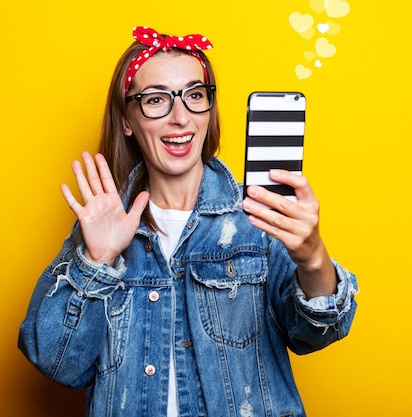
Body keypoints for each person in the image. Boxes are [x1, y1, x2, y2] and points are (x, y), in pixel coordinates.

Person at [18, 26, 358, 417]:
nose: (180, 118)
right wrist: (96, 262)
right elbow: (57, 363)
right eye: (156, 100)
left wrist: (313, 256)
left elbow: (318, 332)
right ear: (127, 120)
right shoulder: (101, 226)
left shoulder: (258, 217)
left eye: (195, 96)